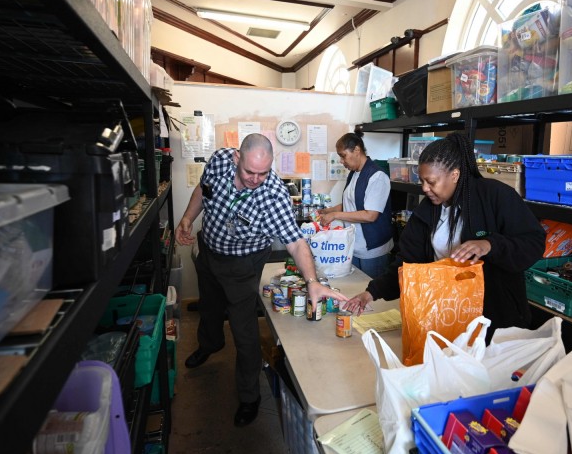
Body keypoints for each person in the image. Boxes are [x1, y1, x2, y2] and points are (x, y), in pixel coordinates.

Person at [174, 133, 347, 427]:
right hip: (210, 250)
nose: (256, 179)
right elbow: (203, 192)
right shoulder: (219, 161)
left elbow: (295, 242)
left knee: (244, 330)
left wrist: (312, 280)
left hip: (243, 262)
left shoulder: (273, 195)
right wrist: (187, 219)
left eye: (263, 173)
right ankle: (210, 344)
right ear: (236, 159)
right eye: (249, 172)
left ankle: (249, 396)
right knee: (210, 306)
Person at [343, 131, 545, 338]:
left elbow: (534, 242)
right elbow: (407, 263)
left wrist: (490, 244)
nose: (425, 188)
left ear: (455, 175)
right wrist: (372, 292)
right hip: (448, 313)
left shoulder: (495, 196)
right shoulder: (427, 211)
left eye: (431, 182)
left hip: (496, 321)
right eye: (422, 181)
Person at [317, 130, 394, 278]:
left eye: (343, 155)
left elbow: (370, 215)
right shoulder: (354, 173)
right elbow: (350, 204)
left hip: (372, 251)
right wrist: (327, 211)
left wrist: (335, 215)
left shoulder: (377, 176)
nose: (341, 161)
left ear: (357, 150)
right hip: (355, 246)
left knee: (372, 294)